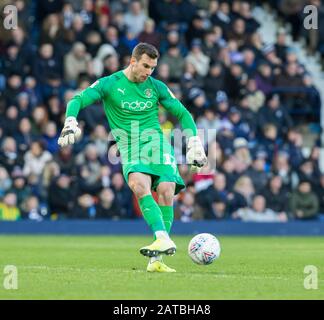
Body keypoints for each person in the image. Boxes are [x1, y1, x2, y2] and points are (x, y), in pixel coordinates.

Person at [58, 43, 207, 273]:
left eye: (153, 67)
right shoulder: (110, 83)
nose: (149, 72)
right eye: (146, 66)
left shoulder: (156, 87)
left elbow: (182, 112)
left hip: (155, 143)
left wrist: (194, 142)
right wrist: (70, 121)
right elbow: (78, 99)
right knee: (139, 186)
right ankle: (161, 239)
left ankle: (157, 258)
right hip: (129, 146)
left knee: (167, 190)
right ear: (133, 61)